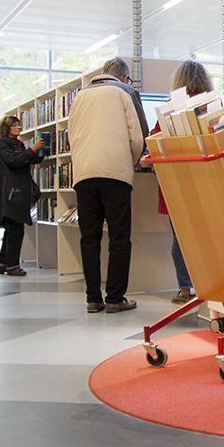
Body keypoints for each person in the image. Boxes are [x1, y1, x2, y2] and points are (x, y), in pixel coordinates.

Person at [68, 57, 147, 313]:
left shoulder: (79, 96)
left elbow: (72, 135)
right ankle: (115, 298)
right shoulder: (124, 92)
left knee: (89, 239)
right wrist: (133, 161)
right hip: (115, 173)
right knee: (119, 238)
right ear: (125, 77)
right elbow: (138, 137)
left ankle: (93, 299)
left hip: (84, 174)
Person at [161, 60, 213, 303]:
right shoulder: (211, 106)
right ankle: (212, 286)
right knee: (211, 234)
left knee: (180, 237)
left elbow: (156, 140)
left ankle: (185, 288)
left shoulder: (169, 108)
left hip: (177, 182)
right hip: (207, 180)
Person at [0, 114, 46, 276]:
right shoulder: (3, 144)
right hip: (10, 191)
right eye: (15, 125)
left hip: (16, 190)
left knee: (12, 229)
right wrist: (32, 149)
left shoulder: (17, 144)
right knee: (15, 229)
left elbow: (26, 160)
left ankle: (3, 264)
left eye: (18, 124)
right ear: (6, 128)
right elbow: (14, 161)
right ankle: (12, 266)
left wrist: (40, 151)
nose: (19, 127)